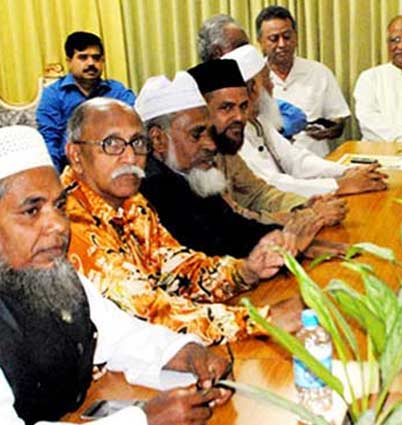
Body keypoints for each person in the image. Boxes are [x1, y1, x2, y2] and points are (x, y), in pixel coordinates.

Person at [0, 125, 233, 424]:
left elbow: (121, 335)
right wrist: (143, 420)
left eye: (59, 206)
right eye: (32, 211)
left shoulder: (52, 274)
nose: (58, 225)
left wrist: (188, 353)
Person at [62, 97, 302, 344]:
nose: (130, 157)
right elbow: (148, 313)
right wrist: (259, 321)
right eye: (112, 144)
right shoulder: (68, 223)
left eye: (137, 142)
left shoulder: (131, 203)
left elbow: (178, 270)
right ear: (76, 155)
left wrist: (245, 271)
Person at [136, 71, 324, 258]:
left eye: (210, 132)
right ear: (158, 139)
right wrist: (288, 242)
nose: (211, 144)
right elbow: (209, 250)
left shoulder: (193, 172)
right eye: (197, 135)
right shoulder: (150, 189)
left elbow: (233, 227)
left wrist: (287, 238)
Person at [186, 59, 348, 226]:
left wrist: (305, 204)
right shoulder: (188, 158)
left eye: (243, 106)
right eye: (226, 108)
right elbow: (232, 221)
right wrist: (308, 216)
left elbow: (258, 193)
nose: (240, 117)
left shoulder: (224, 145)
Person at [223, 44, 389, 197]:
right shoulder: (233, 132)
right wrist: (340, 185)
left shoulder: (258, 121)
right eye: (268, 80)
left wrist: (346, 171)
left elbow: (295, 159)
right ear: (253, 88)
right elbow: (270, 184)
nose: (272, 86)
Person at [256, 5, 351, 157]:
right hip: (270, 163)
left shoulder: (319, 72)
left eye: (287, 37)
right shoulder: (253, 78)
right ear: (260, 41)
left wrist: (330, 129)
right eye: (274, 39)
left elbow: (338, 120)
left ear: (296, 37)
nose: (282, 44)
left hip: (317, 162)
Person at [36, 31, 136, 171]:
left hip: (115, 163)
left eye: (96, 58)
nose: (91, 63)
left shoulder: (116, 91)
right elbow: (50, 141)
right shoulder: (54, 95)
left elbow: (135, 124)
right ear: (69, 61)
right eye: (83, 57)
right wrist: (55, 177)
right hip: (72, 168)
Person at [197, 14, 308, 139]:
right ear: (217, 53)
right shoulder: (205, 107)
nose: (248, 51)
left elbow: (295, 116)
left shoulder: (258, 98)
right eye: (240, 47)